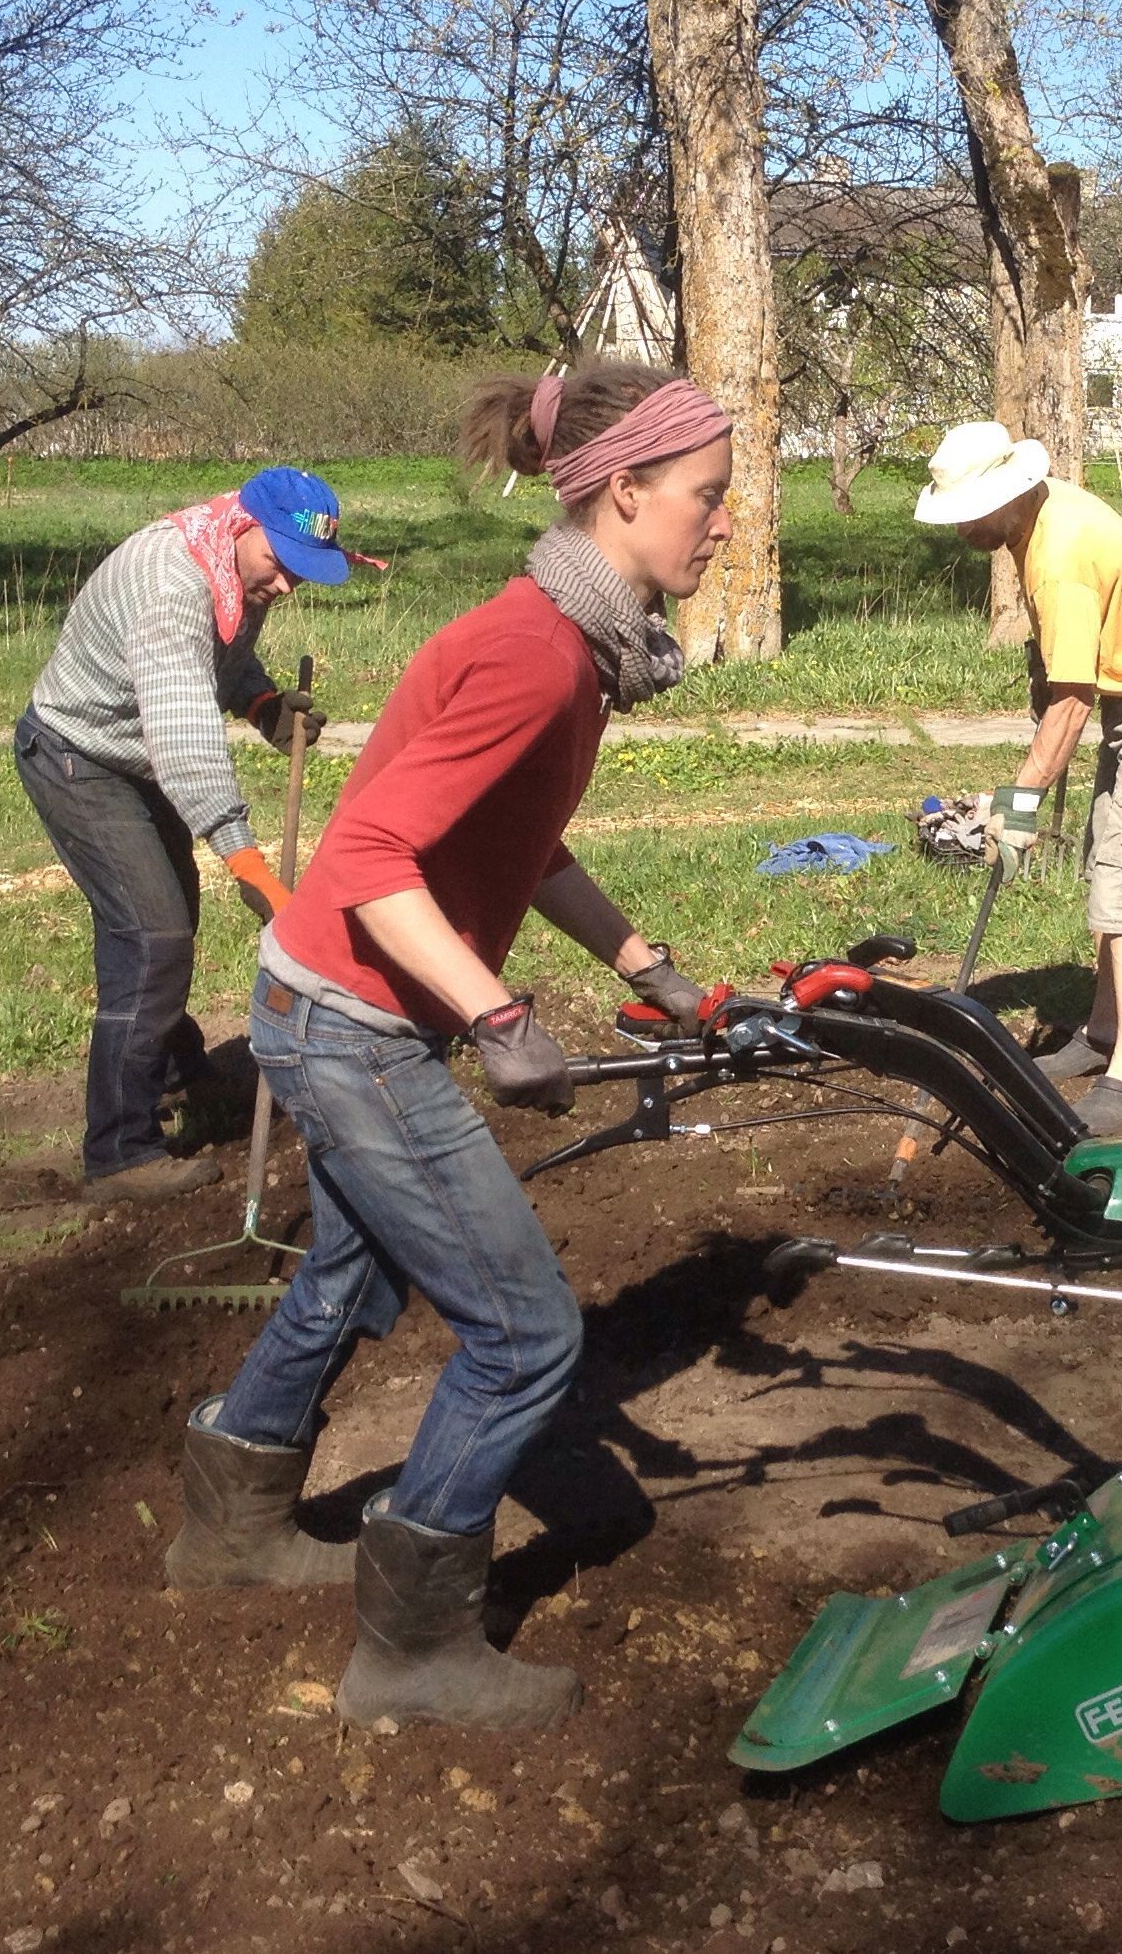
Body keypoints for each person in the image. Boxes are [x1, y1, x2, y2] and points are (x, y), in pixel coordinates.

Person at [164, 360, 729, 1734]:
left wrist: (649, 967)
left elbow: (516, 845)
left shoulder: (576, 649)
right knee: (526, 1335)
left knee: (347, 1281)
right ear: (625, 490)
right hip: (354, 1023)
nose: (724, 524)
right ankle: (412, 1649)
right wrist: (499, 1015)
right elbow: (365, 858)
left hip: (329, 1002)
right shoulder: (533, 652)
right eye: (708, 498)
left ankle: (227, 1526)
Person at [15, 468, 345, 1204]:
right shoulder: (171, 586)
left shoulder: (228, 558)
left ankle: (170, 1068)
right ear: (246, 525)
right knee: (153, 936)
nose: (287, 586)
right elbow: (184, 737)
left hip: (124, 756)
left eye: (302, 572)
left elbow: (217, 657)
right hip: (79, 758)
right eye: (282, 565)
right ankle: (120, 1152)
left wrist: (261, 701)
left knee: (166, 921)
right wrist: (250, 864)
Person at [915, 421, 1122, 1135]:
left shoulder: (1057, 553)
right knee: (1105, 869)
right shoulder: (1044, 514)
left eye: (968, 513)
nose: (960, 528)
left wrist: (1018, 802)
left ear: (1008, 494)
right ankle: (1103, 1032)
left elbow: (1071, 701)